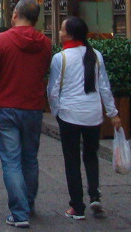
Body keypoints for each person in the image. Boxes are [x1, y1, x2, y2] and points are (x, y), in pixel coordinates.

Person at [0, 0, 51, 229]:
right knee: (30, 158)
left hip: (6, 106)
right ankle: (28, 204)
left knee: (11, 160)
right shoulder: (45, 43)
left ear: (15, 14)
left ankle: (19, 212)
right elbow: (43, 71)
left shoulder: (2, 41)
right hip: (33, 107)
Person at [48, 16, 121, 220]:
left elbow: (53, 90)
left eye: (62, 29)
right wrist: (113, 113)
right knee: (91, 155)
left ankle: (77, 207)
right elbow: (104, 86)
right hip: (93, 114)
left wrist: (56, 111)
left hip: (69, 114)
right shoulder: (95, 55)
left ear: (70, 34)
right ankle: (95, 195)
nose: (59, 32)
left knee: (71, 160)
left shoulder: (60, 58)